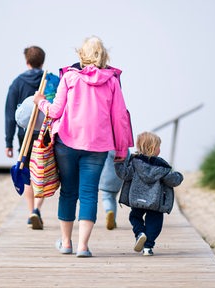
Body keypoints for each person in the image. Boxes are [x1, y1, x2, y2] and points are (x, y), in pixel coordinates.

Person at [33, 36, 133, 257]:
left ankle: (66, 243)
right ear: (103, 55)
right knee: (89, 193)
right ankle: (83, 246)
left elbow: (55, 111)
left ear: (81, 54)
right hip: (98, 145)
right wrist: (121, 149)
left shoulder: (69, 77)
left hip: (67, 142)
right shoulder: (112, 80)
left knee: (68, 192)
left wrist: (40, 100)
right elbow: (120, 118)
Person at [114, 131, 184, 256]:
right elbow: (172, 180)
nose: (160, 149)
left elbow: (124, 174)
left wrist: (119, 163)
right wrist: (179, 176)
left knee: (135, 217)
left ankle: (140, 233)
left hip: (137, 200)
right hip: (155, 202)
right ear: (153, 148)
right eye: (158, 146)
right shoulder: (161, 166)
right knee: (155, 222)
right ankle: (148, 246)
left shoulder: (134, 163)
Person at [5, 45, 47, 230]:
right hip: (46, 132)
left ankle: (31, 211)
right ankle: (38, 208)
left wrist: (8, 141)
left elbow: (9, 114)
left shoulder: (17, 83)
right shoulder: (51, 80)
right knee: (45, 169)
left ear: (26, 61)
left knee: (27, 170)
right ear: (42, 61)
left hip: (25, 134)